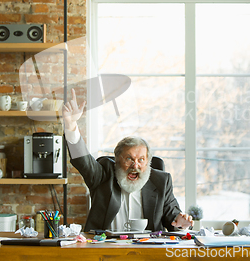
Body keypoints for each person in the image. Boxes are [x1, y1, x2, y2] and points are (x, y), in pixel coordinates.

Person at [62, 89, 193, 232]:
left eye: (141, 160)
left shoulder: (162, 181)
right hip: (105, 249)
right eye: (129, 159)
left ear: (148, 161)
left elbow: (173, 219)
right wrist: (71, 125)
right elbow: (83, 161)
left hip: (147, 249)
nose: (135, 165)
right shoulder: (103, 175)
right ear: (117, 160)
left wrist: (181, 223)